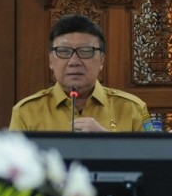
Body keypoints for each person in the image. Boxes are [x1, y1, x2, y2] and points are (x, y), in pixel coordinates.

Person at [9, 14, 153, 132]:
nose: (74, 61)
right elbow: (14, 165)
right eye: (64, 51)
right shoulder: (26, 112)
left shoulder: (132, 109)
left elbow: (152, 162)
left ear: (102, 59)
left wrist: (109, 143)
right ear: (51, 61)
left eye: (85, 51)